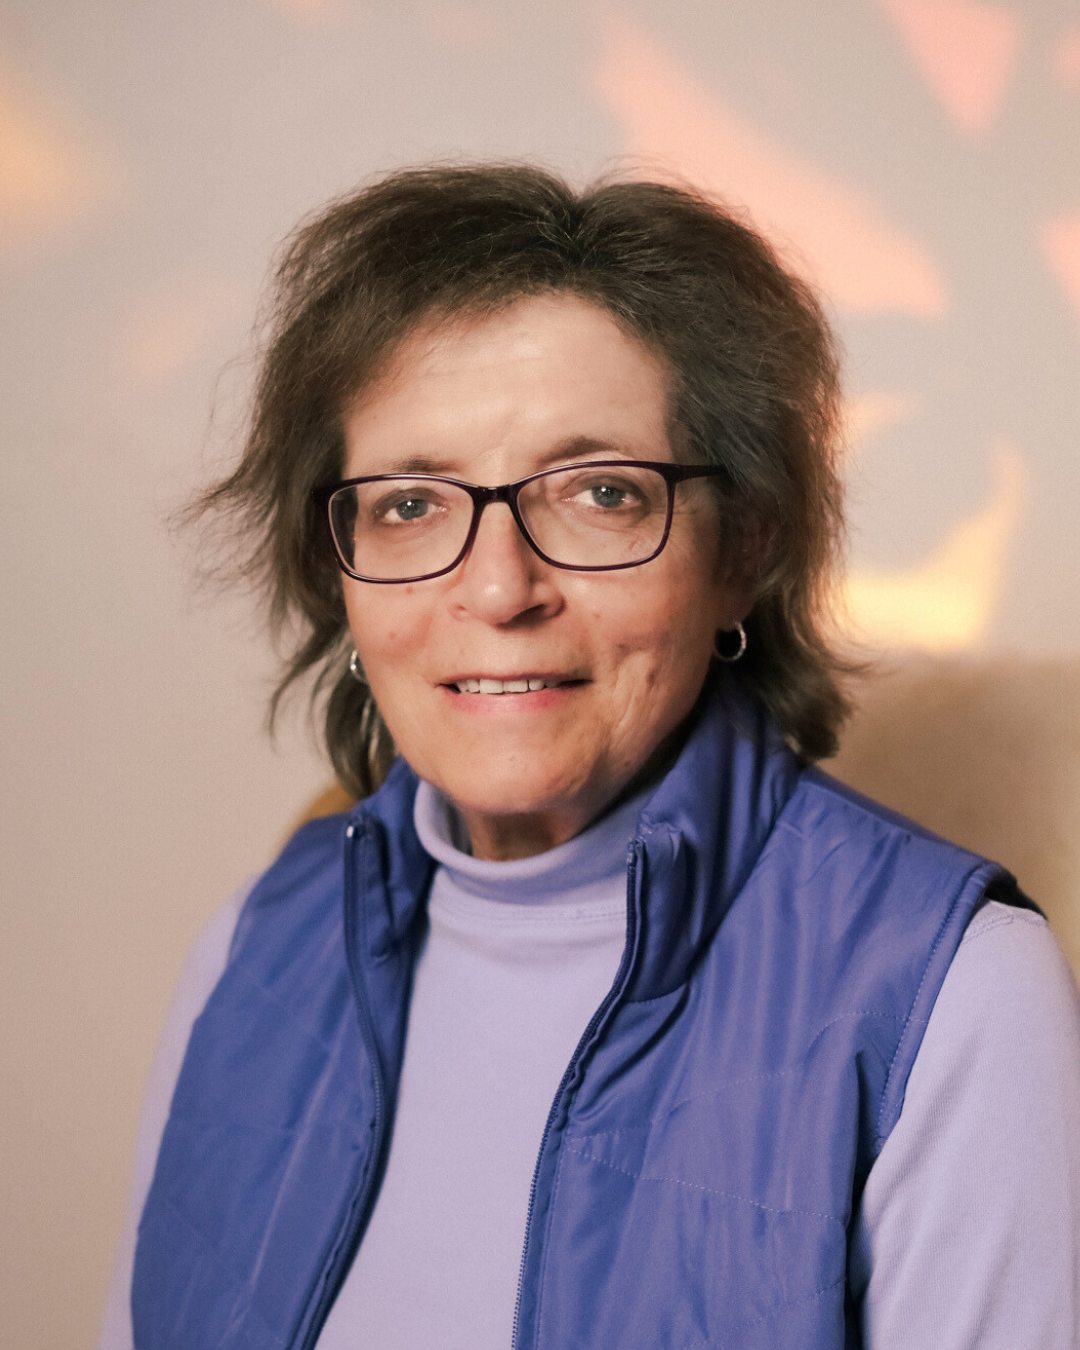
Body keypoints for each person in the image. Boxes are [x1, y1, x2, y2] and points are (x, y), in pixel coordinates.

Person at [100, 165, 1080, 1350]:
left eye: (599, 493)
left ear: (745, 548)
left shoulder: (957, 991)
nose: (500, 588)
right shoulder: (252, 946)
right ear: (339, 567)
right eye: (411, 503)